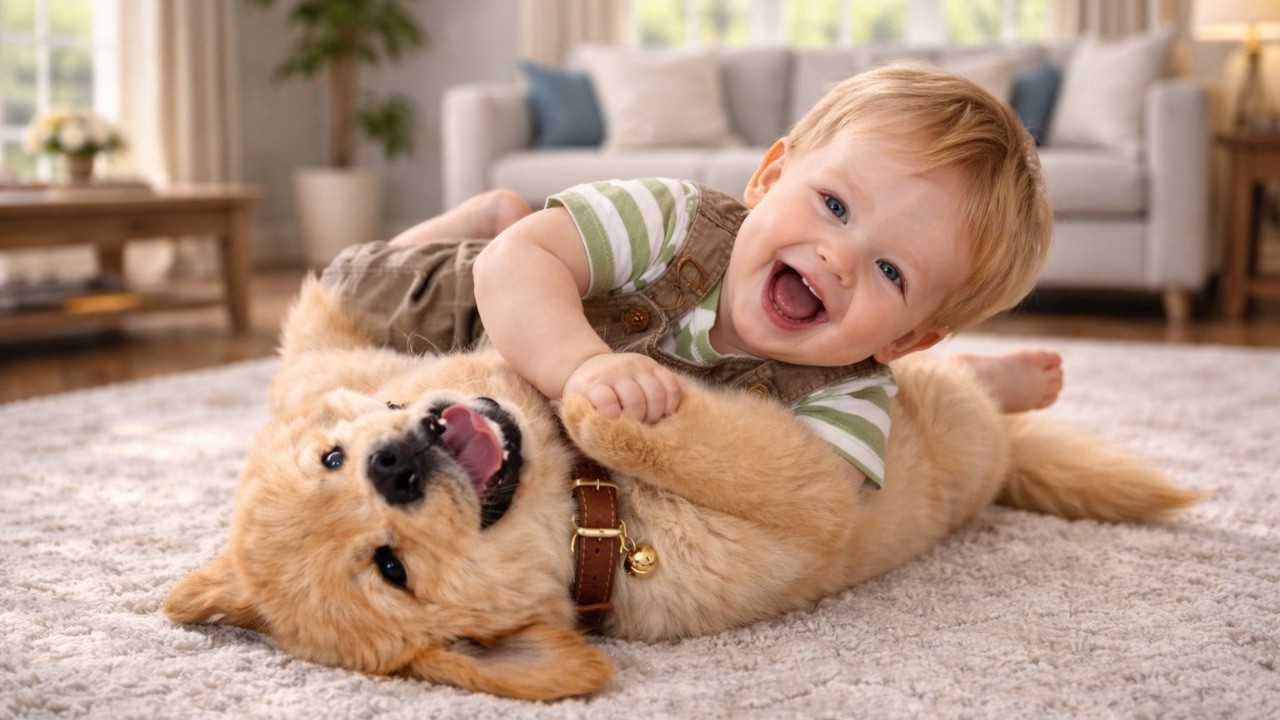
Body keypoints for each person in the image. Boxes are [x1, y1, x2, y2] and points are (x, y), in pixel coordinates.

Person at [324, 65, 1062, 491]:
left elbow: (812, 495)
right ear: (769, 179)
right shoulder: (678, 221)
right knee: (344, 292)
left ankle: (961, 381)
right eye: (835, 205)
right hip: (463, 303)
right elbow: (512, 267)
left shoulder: (848, 387)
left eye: (891, 270)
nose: (838, 257)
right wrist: (581, 367)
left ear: (904, 340)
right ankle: (484, 216)